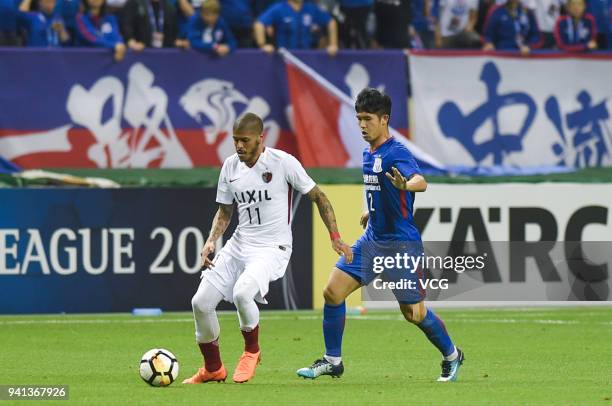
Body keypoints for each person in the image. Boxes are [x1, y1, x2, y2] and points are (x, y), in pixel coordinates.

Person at [296, 88, 464, 382]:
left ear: (384, 119)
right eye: (359, 118)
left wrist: (406, 186)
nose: (362, 125)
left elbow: (420, 181)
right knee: (332, 292)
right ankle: (333, 360)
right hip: (373, 240)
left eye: (368, 119)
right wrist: (371, 212)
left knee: (413, 313)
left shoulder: (396, 152)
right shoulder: (367, 152)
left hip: (401, 245)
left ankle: (452, 355)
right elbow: (378, 190)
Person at [183, 113, 353, 384]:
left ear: (260, 139)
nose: (239, 146)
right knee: (200, 303)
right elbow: (225, 210)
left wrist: (335, 236)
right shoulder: (230, 166)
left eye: (245, 141)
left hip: (272, 247)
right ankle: (213, 368)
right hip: (240, 243)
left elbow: (319, 197)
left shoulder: (283, 162)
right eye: (235, 141)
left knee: (242, 293)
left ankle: (252, 352)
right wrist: (211, 240)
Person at [254, 0, 338, 55]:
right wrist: (263, 45)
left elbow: (331, 22)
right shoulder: (279, 8)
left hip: (306, 56)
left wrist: (333, 44)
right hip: (285, 56)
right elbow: (259, 24)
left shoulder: (310, 8)